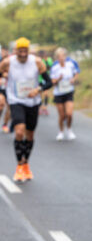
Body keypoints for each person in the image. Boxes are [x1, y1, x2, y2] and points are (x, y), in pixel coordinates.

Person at [0, 37, 51, 182]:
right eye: (20, 51)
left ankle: (26, 163)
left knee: (29, 135)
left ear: (28, 51)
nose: (22, 54)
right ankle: (19, 165)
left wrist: (38, 89)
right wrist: (3, 76)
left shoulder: (36, 62)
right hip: (16, 100)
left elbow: (48, 82)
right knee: (19, 131)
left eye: (25, 51)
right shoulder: (8, 62)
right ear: (16, 51)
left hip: (33, 102)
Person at [50, 47, 79, 141]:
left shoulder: (70, 64)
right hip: (58, 93)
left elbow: (76, 73)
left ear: (65, 56)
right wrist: (58, 79)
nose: (61, 58)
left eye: (63, 56)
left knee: (69, 114)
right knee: (62, 115)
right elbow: (52, 81)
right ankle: (61, 132)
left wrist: (73, 79)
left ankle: (69, 130)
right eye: (59, 56)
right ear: (57, 58)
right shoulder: (54, 67)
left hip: (68, 91)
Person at [38, 50, 54, 116]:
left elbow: (51, 68)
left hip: (47, 79)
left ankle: (45, 107)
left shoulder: (50, 60)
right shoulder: (39, 60)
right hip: (40, 79)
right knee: (40, 94)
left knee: (46, 94)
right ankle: (40, 107)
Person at [0, 46, 11, 133]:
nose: (4, 53)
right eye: (3, 52)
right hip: (1, 88)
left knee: (10, 108)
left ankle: (5, 124)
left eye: (5, 52)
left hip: (10, 88)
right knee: (1, 103)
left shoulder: (12, 62)